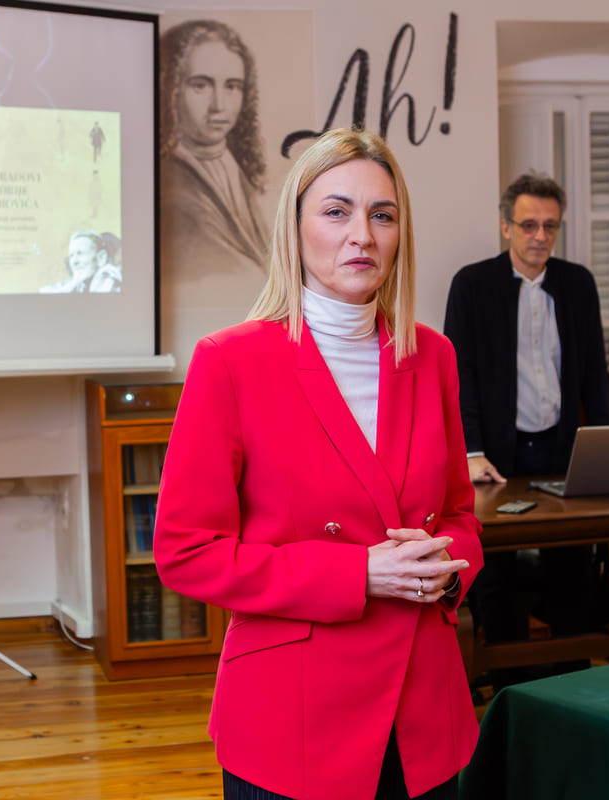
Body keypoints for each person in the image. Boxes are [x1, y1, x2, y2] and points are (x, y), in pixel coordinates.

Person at [155, 128, 483, 800]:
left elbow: (458, 515)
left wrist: (446, 568)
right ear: (295, 227)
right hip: (295, 718)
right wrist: (358, 573)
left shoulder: (434, 356)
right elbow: (186, 552)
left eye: (382, 215)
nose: (362, 235)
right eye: (337, 212)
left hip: (425, 712)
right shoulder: (230, 361)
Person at [442, 172, 609, 685]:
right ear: (506, 227)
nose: (540, 236)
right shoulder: (472, 285)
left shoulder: (577, 283)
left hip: (560, 446)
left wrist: (605, 446)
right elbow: (459, 376)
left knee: (572, 563)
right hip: (498, 453)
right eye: (528, 225)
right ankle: (509, 683)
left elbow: (594, 372)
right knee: (497, 570)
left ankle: (574, 679)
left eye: (550, 226)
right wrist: (471, 450)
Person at [159, 19, 270, 274]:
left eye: (232, 86)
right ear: (172, 90)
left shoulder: (234, 167)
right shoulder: (169, 183)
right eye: (201, 85)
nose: (218, 105)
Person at [40, 230, 121, 293]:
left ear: (101, 257)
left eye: (80, 254)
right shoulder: (77, 283)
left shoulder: (108, 280)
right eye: (71, 256)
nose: (74, 262)